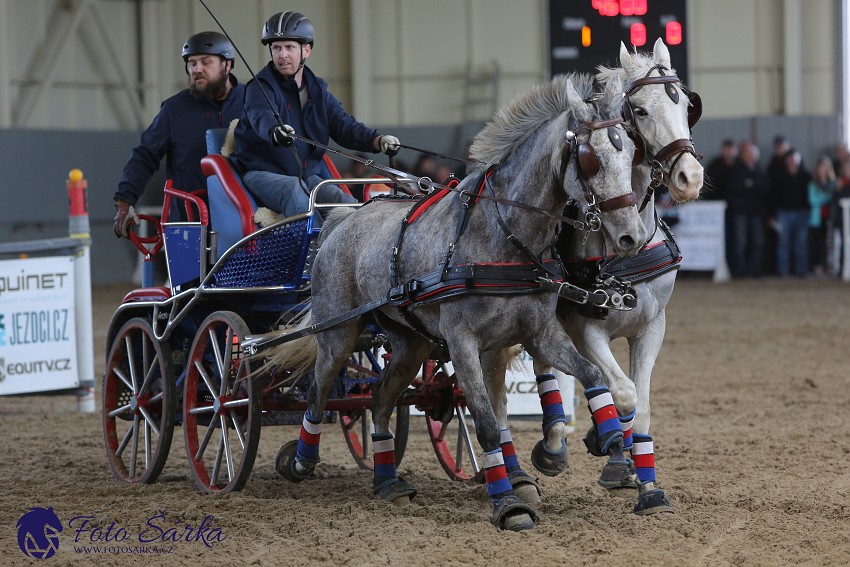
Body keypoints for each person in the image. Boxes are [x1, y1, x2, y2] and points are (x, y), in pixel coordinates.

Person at [230, 11, 399, 219]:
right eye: (276, 48)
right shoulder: (259, 88)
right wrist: (275, 131)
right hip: (262, 174)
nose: (282, 55)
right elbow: (261, 115)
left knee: (347, 205)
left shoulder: (318, 91)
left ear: (306, 50)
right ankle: (314, 249)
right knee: (293, 190)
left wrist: (376, 140)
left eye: (289, 47)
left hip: (306, 176)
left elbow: (343, 124)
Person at [113, 31, 245, 238]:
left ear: (227, 65)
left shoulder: (253, 103)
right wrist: (125, 201)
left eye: (205, 62)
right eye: (192, 63)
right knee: (191, 273)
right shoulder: (174, 111)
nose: (197, 69)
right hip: (189, 224)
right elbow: (144, 156)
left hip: (244, 222)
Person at [726, 141, 770, 278]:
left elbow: (765, 189)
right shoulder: (736, 170)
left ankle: (753, 271)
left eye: (752, 154)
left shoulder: (761, 170)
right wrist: (751, 187)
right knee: (740, 243)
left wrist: (750, 186)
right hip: (740, 212)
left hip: (756, 213)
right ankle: (739, 271)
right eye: (747, 154)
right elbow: (733, 189)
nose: (749, 156)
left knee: (758, 242)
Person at [770, 148, 811, 277]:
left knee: (801, 244)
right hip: (783, 213)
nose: (792, 161)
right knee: (783, 244)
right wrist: (772, 215)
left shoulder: (806, 175)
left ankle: (802, 270)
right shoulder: (779, 175)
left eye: (794, 158)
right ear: (786, 161)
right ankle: (783, 271)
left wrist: (807, 208)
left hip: (802, 214)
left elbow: (810, 194)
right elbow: (773, 196)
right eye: (790, 159)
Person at [807, 156, 836, 278]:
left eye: (826, 167)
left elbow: (836, 197)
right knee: (817, 243)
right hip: (817, 219)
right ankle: (817, 267)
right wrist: (828, 197)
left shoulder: (833, 183)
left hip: (831, 218)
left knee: (829, 244)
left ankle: (829, 267)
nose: (823, 169)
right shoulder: (813, 184)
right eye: (821, 167)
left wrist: (828, 196)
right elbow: (814, 201)